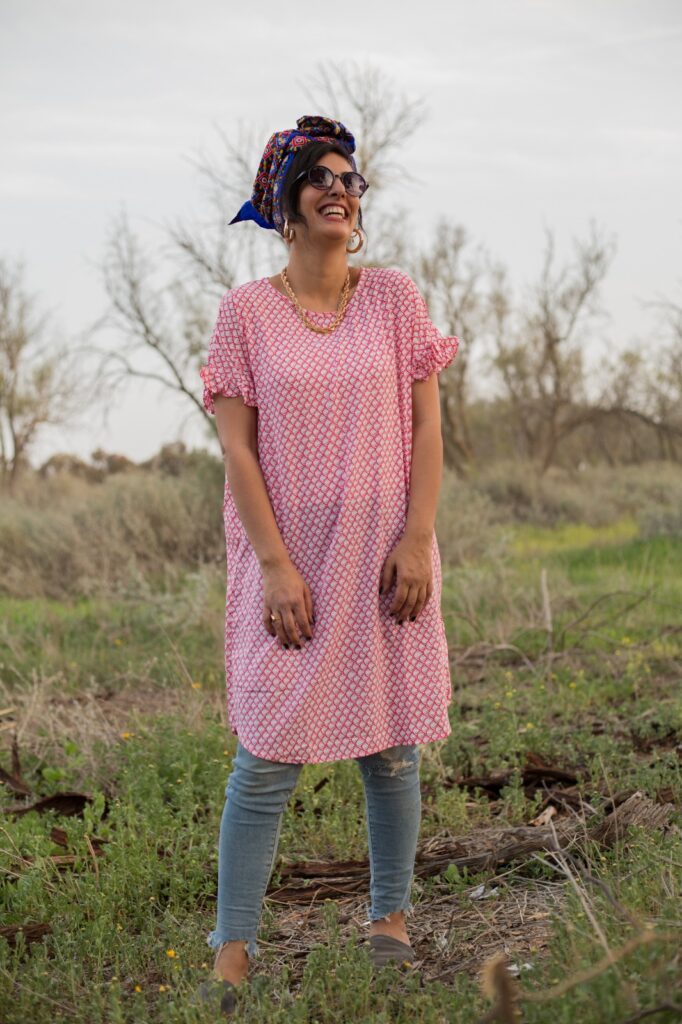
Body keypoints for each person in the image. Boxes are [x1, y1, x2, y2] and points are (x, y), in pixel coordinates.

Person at [196, 115, 459, 1015]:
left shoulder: (391, 299)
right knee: (264, 756)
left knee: (392, 750)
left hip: (387, 553)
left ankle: (389, 922)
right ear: (287, 203)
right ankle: (233, 951)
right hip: (290, 562)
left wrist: (418, 535)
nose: (341, 188)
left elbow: (427, 427)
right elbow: (237, 452)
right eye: (321, 177)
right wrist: (273, 563)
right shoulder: (247, 313)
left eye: (351, 178)